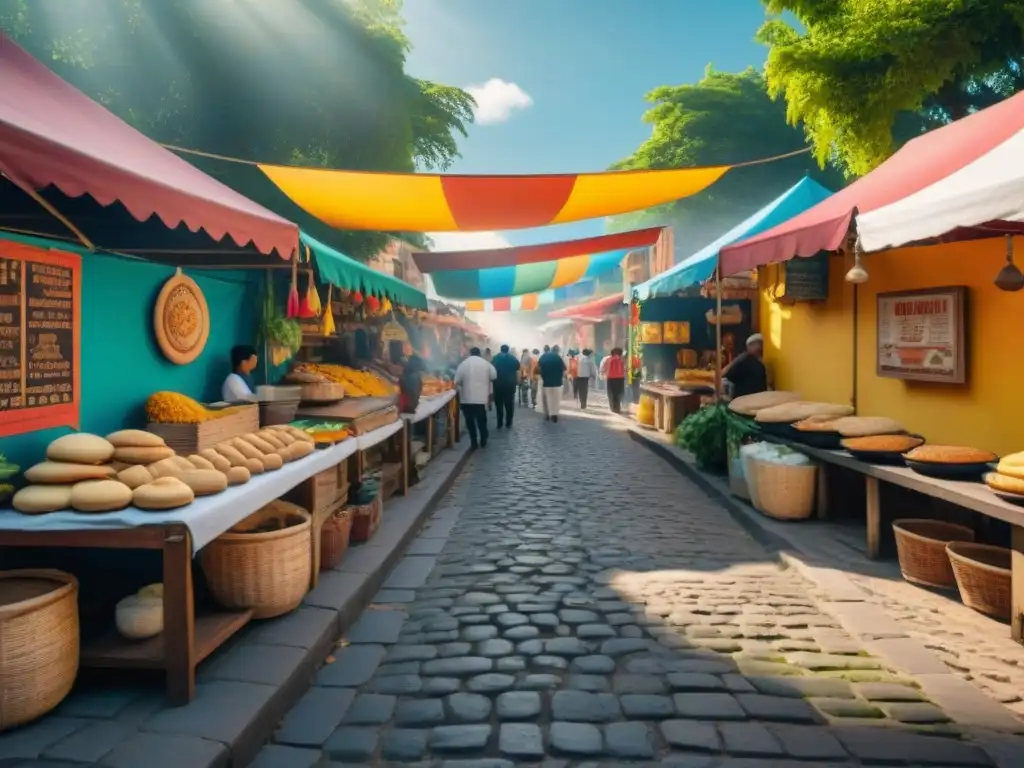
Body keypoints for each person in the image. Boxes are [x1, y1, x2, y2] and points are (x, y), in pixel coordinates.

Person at [455, 347, 496, 448]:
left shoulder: (463, 364)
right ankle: (483, 438)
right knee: (481, 419)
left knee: (470, 421)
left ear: (470, 353)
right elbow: (494, 376)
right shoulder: (486, 364)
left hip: (466, 398)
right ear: (479, 354)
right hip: (481, 398)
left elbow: (457, 380)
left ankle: (473, 441)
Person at [723, 333, 768, 399]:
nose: (760, 347)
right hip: (755, 400)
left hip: (743, 400)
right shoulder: (750, 361)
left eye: (760, 344)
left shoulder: (743, 359)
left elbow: (728, 374)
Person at [491, 344, 521, 429]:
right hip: (510, 385)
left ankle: (499, 423)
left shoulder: (495, 358)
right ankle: (508, 422)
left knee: (499, 404)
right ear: (508, 350)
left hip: (498, 384)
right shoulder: (513, 359)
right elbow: (517, 371)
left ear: (501, 350)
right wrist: (517, 381)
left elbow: (491, 371)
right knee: (509, 404)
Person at [537, 344, 567, 423]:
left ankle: (546, 414)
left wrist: (542, 376)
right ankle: (554, 414)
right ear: (557, 351)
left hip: (546, 382)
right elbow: (564, 370)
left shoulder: (543, 357)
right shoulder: (559, 358)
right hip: (557, 383)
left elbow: (539, 369)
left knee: (546, 399)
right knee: (555, 400)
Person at [601, 346, 626, 414]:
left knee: (611, 393)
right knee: (618, 393)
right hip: (620, 379)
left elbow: (604, 368)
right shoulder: (622, 360)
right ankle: (617, 408)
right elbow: (625, 369)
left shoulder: (609, 359)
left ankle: (612, 407)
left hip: (611, 379)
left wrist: (603, 373)